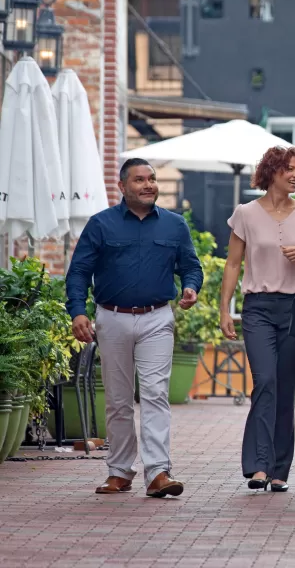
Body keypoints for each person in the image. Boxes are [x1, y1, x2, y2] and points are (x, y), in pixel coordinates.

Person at [66, 158, 203, 498]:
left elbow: (191, 266)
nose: (148, 184)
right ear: (123, 186)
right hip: (112, 318)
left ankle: (158, 472)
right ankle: (119, 471)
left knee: (155, 394)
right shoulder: (101, 224)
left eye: (152, 178)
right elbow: (79, 272)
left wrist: (190, 287)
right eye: (139, 179)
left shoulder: (174, 225)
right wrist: (77, 312)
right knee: (118, 399)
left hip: (157, 318)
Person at [219, 146, 295, 493]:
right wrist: (225, 309)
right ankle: (259, 465)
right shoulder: (245, 214)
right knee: (264, 380)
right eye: (289, 169)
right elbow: (233, 264)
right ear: (271, 172)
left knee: (285, 387)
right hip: (258, 309)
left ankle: (280, 469)